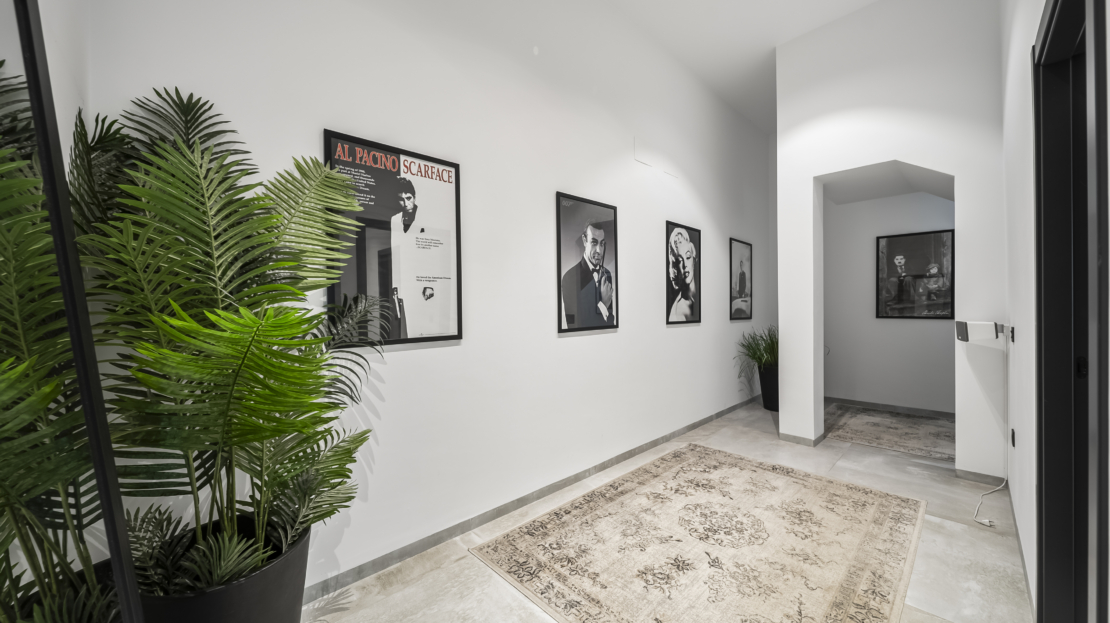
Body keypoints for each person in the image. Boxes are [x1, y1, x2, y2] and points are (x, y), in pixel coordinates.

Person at [561, 219, 615, 329]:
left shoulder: (607, 274)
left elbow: (610, 322)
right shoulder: (569, 278)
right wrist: (603, 305)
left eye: (602, 243)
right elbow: (574, 326)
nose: (599, 250)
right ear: (584, 240)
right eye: (594, 243)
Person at [668, 227, 698, 322]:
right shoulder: (677, 312)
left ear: (694, 260)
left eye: (688, 257)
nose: (685, 265)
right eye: (680, 260)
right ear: (676, 267)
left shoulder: (701, 297)